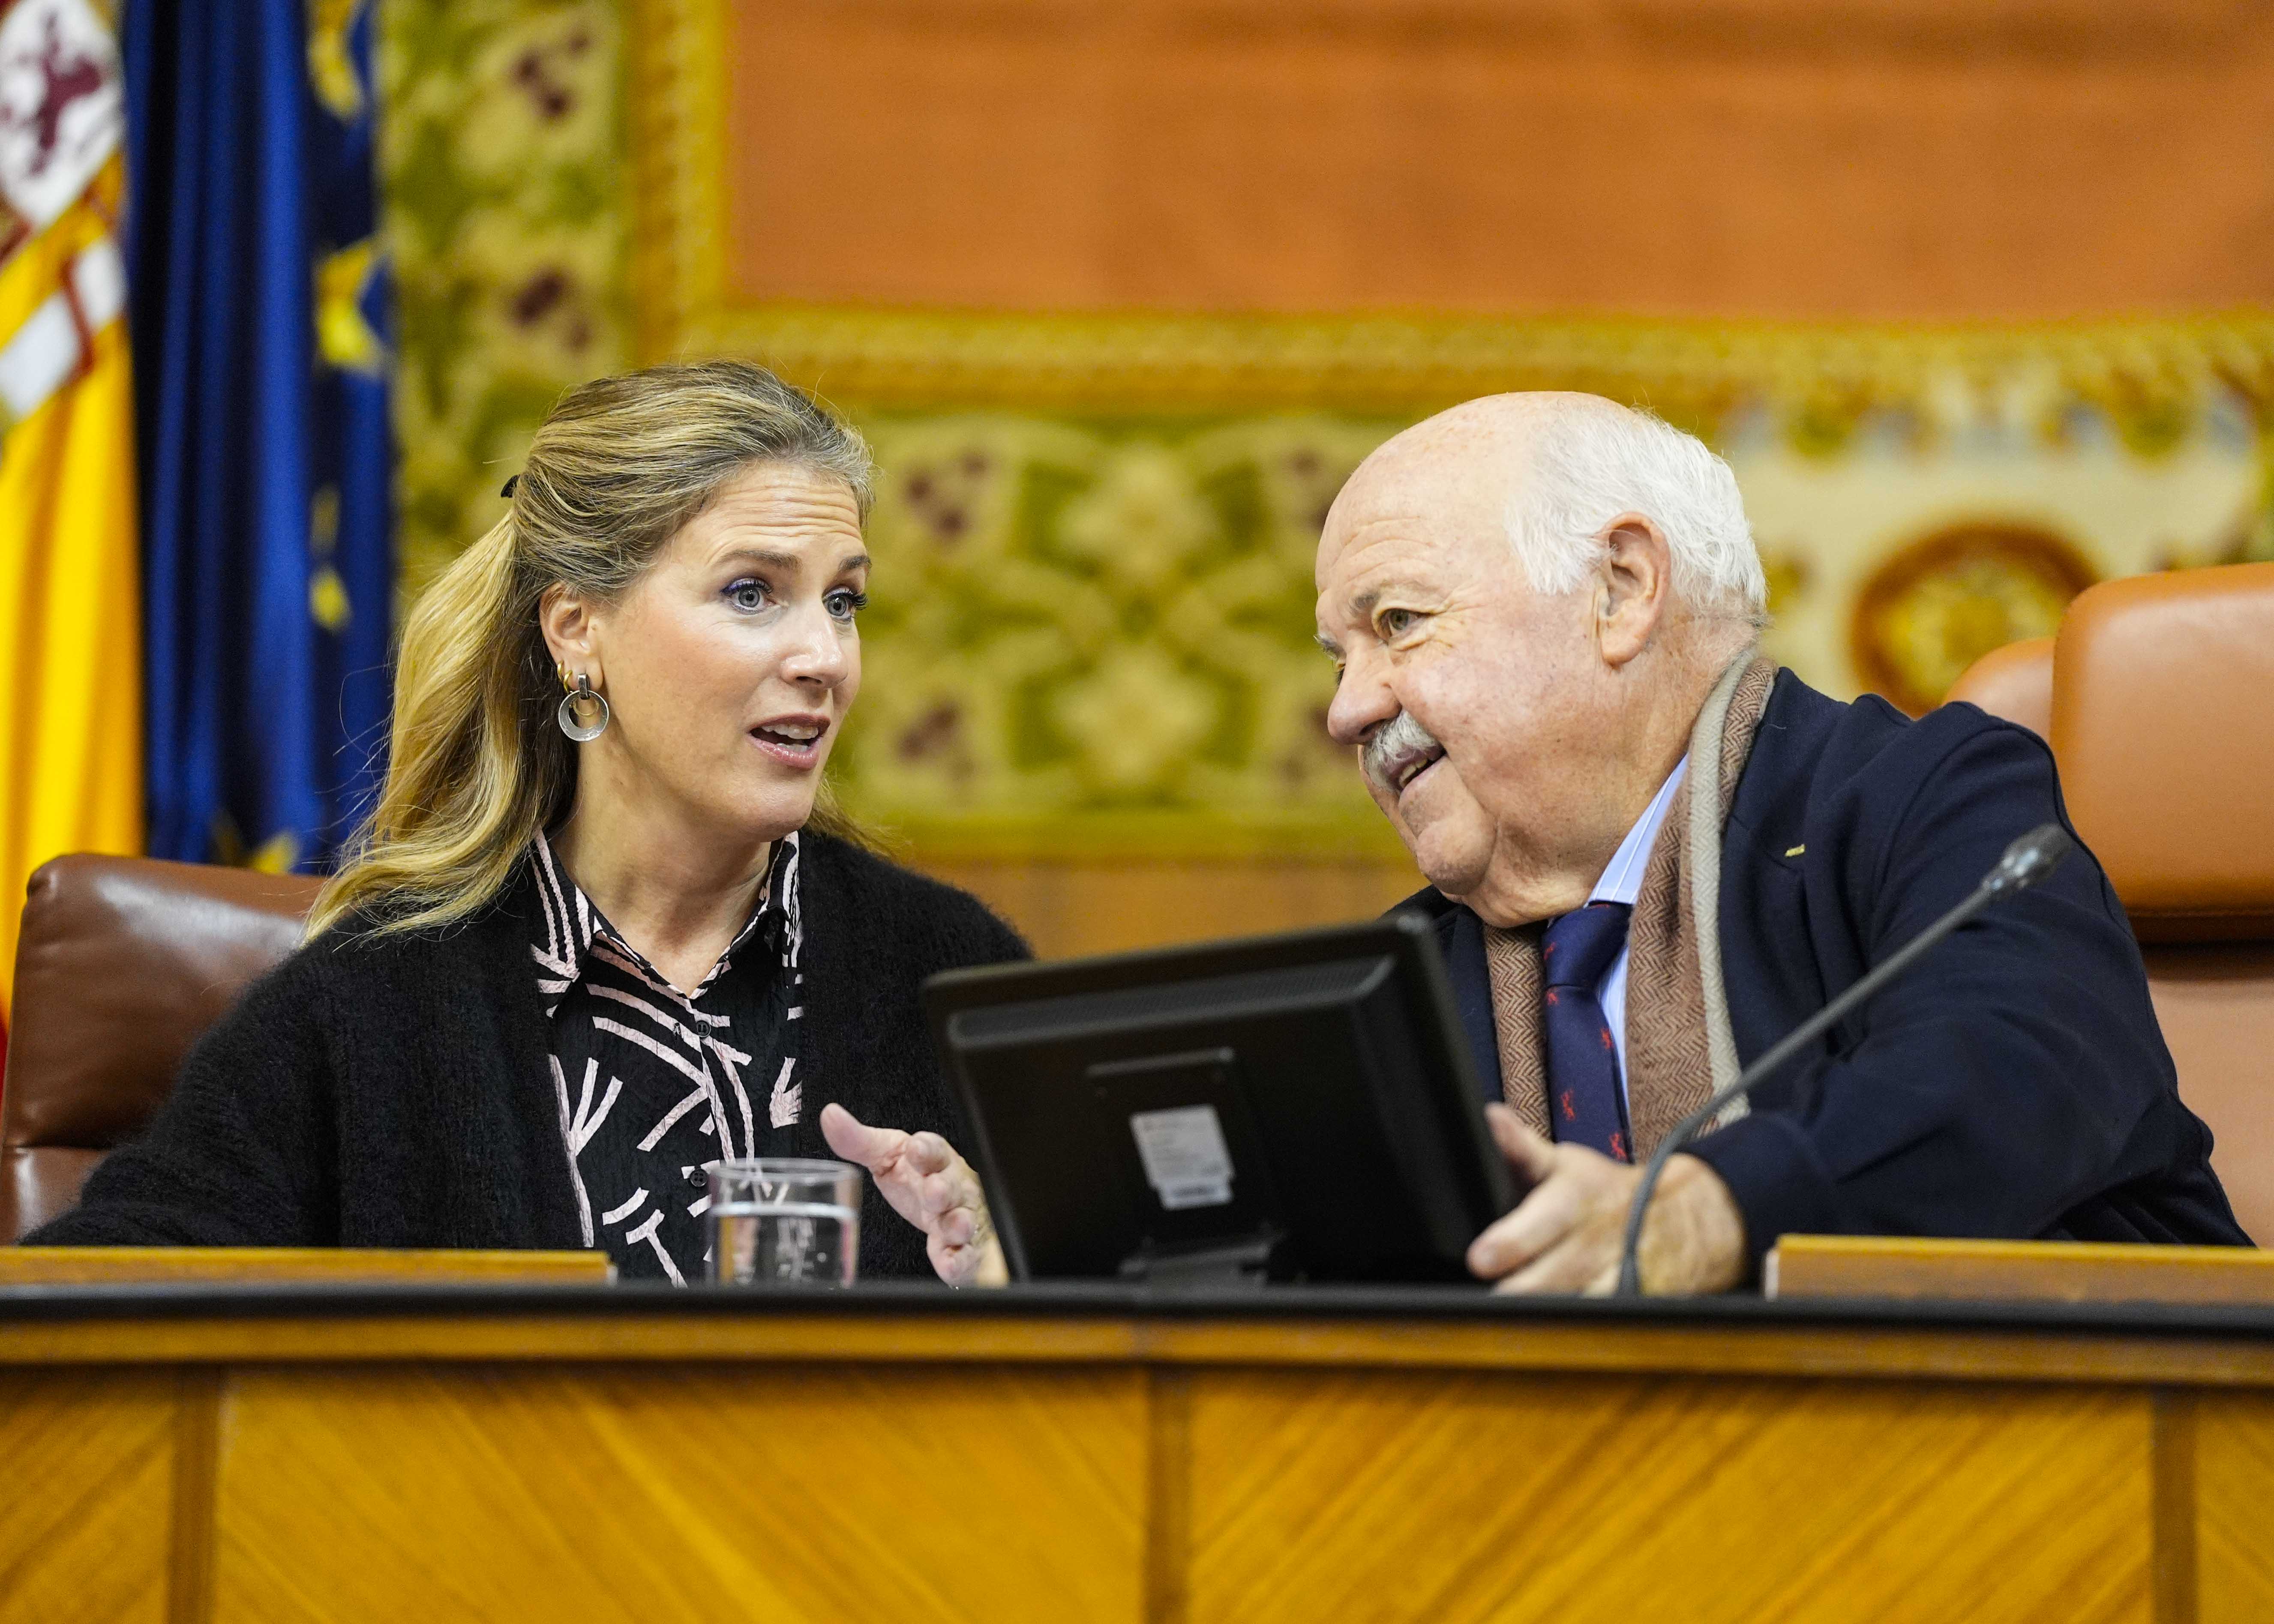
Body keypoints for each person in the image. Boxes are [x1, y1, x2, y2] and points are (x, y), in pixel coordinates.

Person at [29, 361, 1014, 1286]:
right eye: (751, 592)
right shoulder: (378, 998)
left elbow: (1121, 1336)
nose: (824, 657)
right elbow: (87, 1312)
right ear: (576, 628)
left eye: (843, 600)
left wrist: (1009, 1278)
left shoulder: (951, 972)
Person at [1312, 393, 2249, 1294]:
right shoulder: (1404, 981)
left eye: (1398, 623)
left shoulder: (1931, 800)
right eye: (1338, 656)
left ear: (1622, 589)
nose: (1348, 708)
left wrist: (1704, 1214)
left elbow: (2017, 1073)